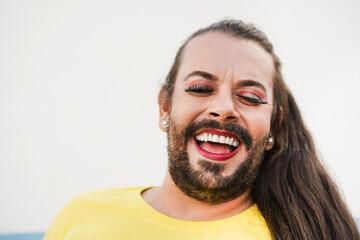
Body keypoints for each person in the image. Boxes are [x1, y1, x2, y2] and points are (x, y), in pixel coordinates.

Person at [44, 19, 360, 240]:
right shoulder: (80, 218)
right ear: (165, 107)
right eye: (199, 88)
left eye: (250, 97)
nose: (223, 108)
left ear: (274, 126)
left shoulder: (308, 232)